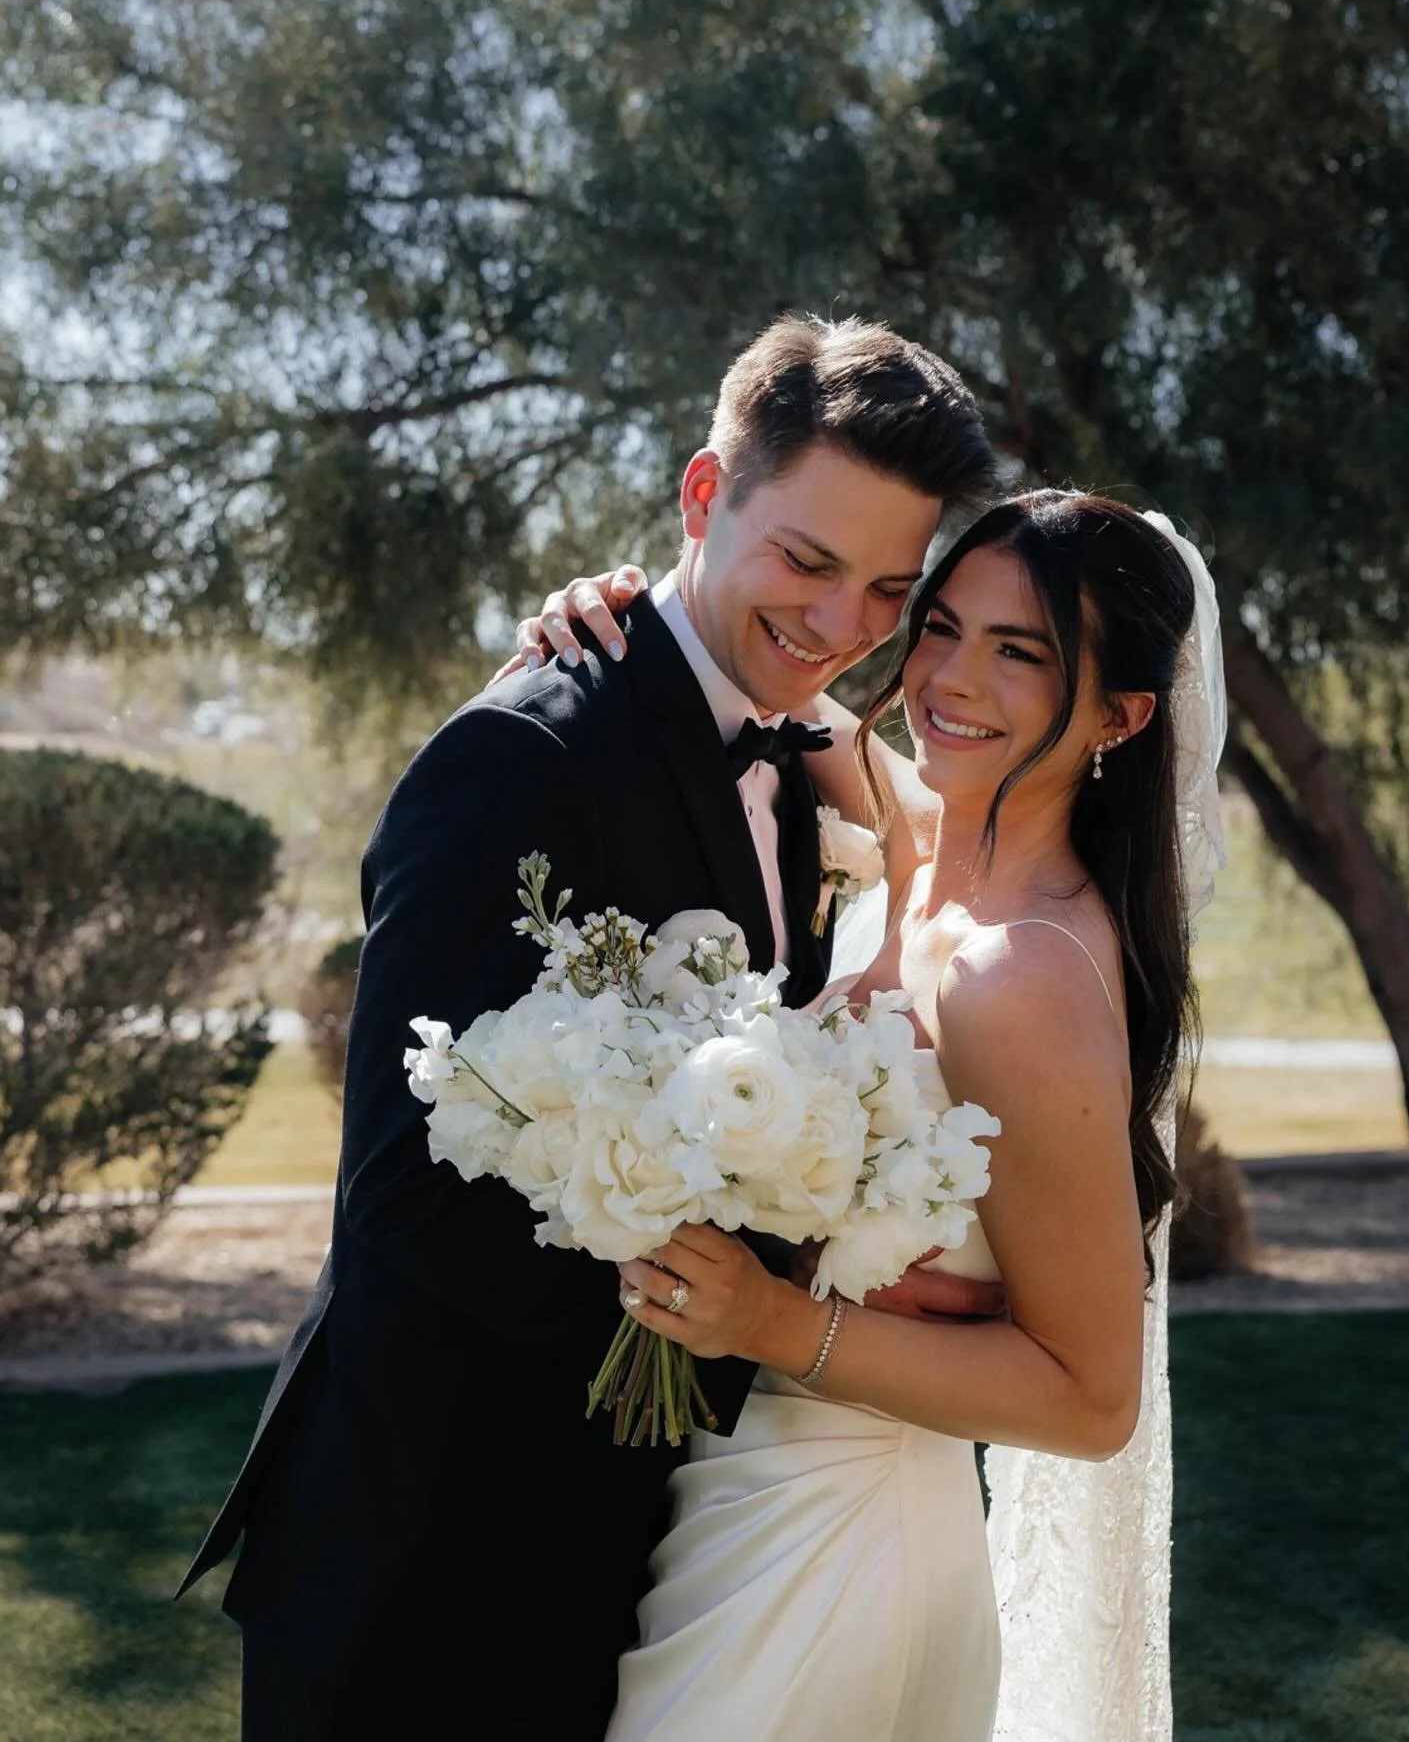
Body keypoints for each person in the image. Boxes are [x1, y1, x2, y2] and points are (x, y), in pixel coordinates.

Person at [175, 313, 1001, 1740]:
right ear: (702, 496)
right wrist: (759, 1299)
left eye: (887, 588)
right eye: (805, 562)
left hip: (641, 1552)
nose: (841, 626)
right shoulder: (525, 754)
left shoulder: (820, 763)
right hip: (434, 1562)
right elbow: (403, 1191)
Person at [518, 488, 1226, 1740]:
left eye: (1022, 654)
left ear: (1120, 717)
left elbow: (1091, 1399)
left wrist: (776, 1320)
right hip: (744, 1496)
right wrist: (622, 611)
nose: (949, 678)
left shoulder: (1027, 978)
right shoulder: (926, 834)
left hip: (850, 1543)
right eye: (943, 626)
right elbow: (775, 692)